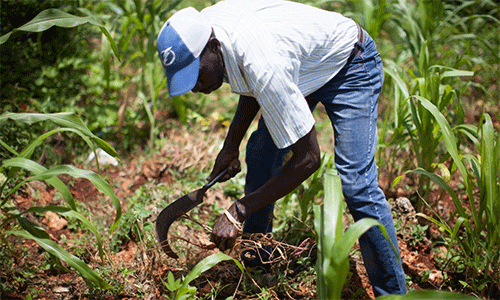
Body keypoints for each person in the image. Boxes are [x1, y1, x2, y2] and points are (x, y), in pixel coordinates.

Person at [156, 0, 407, 295]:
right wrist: (230, 146)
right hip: (300, 66)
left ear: (212, 45)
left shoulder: (261, 62)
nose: (195, 87)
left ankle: (394, 293)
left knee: (357, 185)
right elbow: (250, 80)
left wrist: (239, 209)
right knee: (261, 152)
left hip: (350, 63)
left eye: (196, 76)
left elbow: (309, 158)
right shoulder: (209, 31)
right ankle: (257, 260)